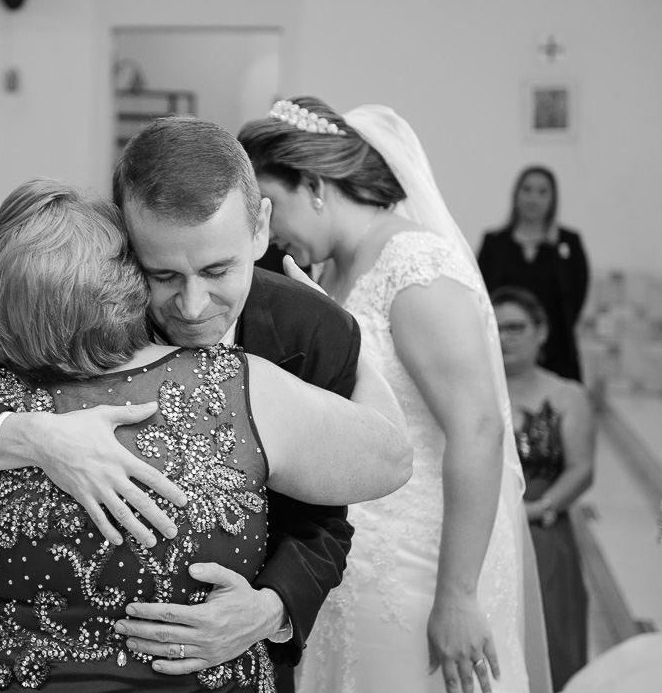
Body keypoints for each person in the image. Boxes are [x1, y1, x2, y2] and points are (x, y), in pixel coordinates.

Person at [0, 117, 404, 688]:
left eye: (218, 270)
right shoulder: (68, 309)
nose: (192, 305)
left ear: (261, 228)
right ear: (125, 240)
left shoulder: (313, 328)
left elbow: (326, 515)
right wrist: (36, 437)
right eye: (162, 275)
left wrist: (271, 608)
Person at [238, 97, 547, 693]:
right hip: (351, 564)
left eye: (270, 205)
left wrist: (457, 595)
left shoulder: (414, 266)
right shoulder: (331, 270)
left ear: (314, 185)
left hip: (421, 567)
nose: (266, 229)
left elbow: (478, 427)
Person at [494, 285, 594, 691]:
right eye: (496, 327)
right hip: (486, 522)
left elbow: (581, 470)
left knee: (551, 632)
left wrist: (537, 509)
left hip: (544, 527)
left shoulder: (567, 394)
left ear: (542, 331)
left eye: (516, 327)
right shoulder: (476, 387)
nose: (505, 337)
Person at [477, 166, 589, 382]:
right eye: (527, 189)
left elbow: (576, 298)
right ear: (516, 194)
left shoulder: (568, 244)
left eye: (542, 191)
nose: (533, 198)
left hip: (556, 352)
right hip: (502, 351)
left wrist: (539, 335)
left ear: (553, 198)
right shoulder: (494, 243)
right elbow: (482, 296)